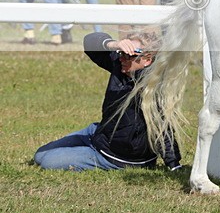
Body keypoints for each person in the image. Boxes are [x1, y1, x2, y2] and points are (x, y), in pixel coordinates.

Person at [33, 31, 182, 172]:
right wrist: (114, 44)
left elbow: (163, 129)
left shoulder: (152, 88)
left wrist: (174, 164)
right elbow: (89, 42)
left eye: (129, 55)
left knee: (47, 161)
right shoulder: (121, 66)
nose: (122, 58)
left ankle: (92, 156)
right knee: (39, 155)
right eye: (121, 53)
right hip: (101, 133)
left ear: (147, 59)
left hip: (118, 156)